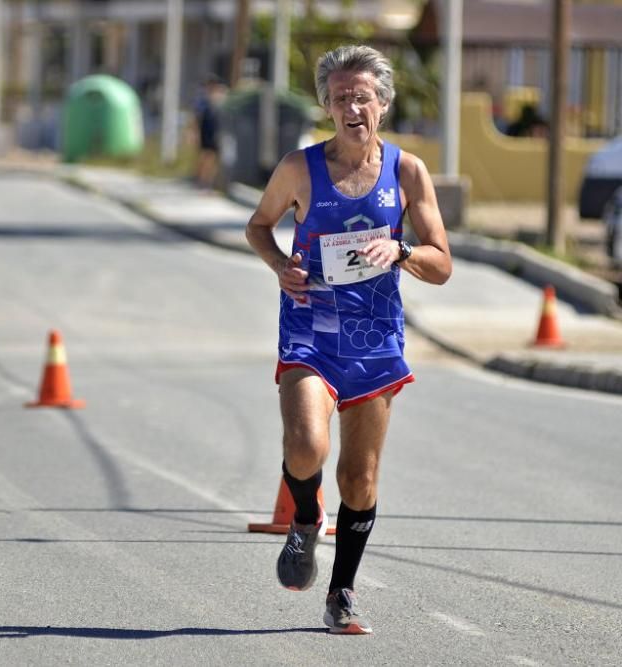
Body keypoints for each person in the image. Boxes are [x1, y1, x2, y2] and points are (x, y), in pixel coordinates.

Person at [244, 45, 452, 635]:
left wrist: (403, 250)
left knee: (360, 477)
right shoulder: (298, 168)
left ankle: (341, 596)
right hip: (310, 328)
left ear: (382, 103)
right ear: (326, 106)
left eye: (363, 96)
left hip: (376, 337)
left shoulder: (407, 172)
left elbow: (442, 263)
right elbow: (258, 225)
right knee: (307, 444)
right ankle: (306, 518)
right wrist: (280, 263)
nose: (352, 107)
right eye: (340, 98)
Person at [193, 74, 225, 189]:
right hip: (205, 131)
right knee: (205, 158)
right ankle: (201, 182)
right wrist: (194, 133)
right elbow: (197, 118)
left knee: (214, 159)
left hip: (216, 132)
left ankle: (209, 183)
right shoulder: (203, 100)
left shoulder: (220, 98)